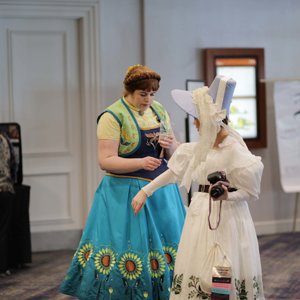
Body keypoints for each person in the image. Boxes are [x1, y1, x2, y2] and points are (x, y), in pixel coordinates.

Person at [132, 75, 265, 299]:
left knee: (221, 263)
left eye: (197, 118)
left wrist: (227, 196)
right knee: (200, 261)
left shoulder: (233, 149)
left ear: (208, 119)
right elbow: (174, 172)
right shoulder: (199, 148)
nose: (194, 122)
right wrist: (146, 191)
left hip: (226, 217)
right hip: (200, 213)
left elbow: (251, 191)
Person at [60, 64, 186, 299]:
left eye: (152, 94)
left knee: (170, 242)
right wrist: (140, 163)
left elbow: (174, 154)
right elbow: (105, 160)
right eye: (143, 94)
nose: (148, 99)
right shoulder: (112, 116)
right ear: (129, 91)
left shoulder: (159, 110)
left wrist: (171, 146)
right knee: (130, 246)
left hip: (161, 191)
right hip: (125, 193)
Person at [0, 131, 17, 277]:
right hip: (6, 189)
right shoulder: (5, 139)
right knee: (3, 230)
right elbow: (14, 164)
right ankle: (3, 267)